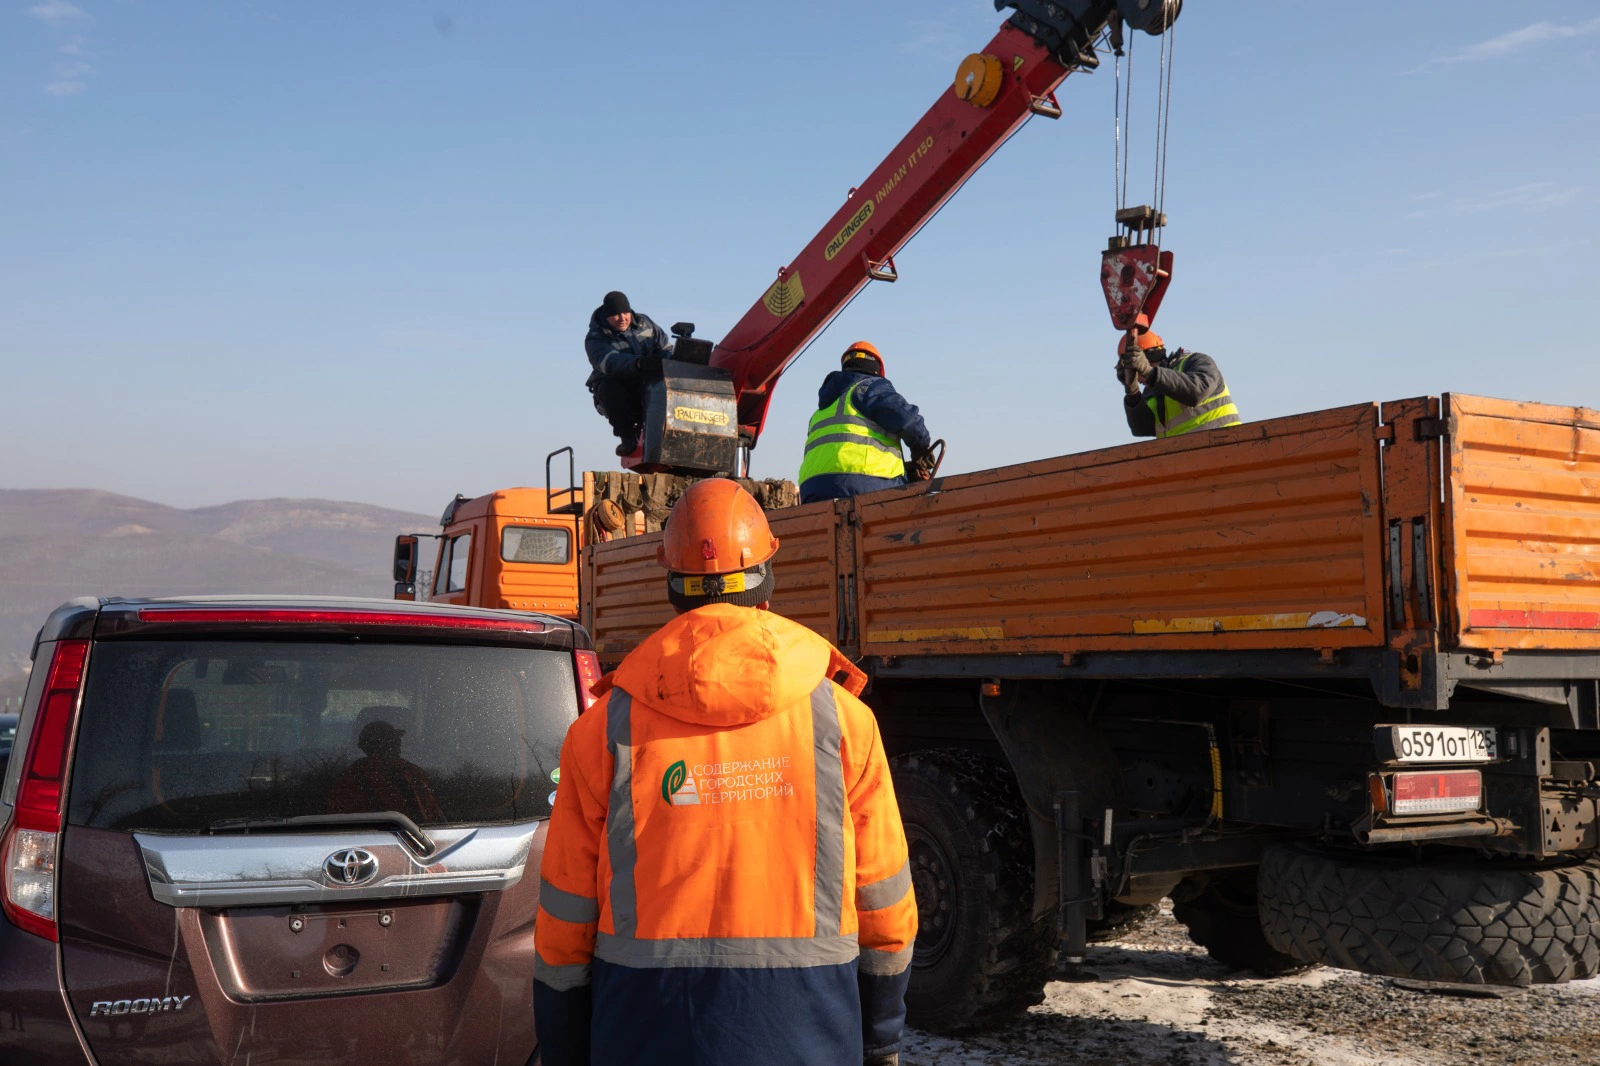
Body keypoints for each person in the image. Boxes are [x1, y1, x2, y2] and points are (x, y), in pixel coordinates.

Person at [533, 479, 917, 1066]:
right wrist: (880, 1037)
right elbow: (885, 909)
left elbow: (564, 926)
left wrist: (565, 1047)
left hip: (645, 1031)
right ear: (767, 575)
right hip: (810, 1032)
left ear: (672, 585)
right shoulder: (843, 721)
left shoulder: (602, 732)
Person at [798, 341, 935, 504]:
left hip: (812, 489)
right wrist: (920, 448)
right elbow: (908, 420)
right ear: (877, 370)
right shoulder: (869, 387)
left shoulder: (821, 410)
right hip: (867, 484)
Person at [584, 290, 676, 455]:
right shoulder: (596, 338)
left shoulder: (645, 323)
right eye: (616, 315)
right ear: (606, 316)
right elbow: (608, 362)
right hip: (620, 389)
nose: (622, 318)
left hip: (650, 382)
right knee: (610, 387)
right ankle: (627, 438)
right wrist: (639, 363)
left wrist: (667, 360)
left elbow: (665, 347)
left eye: (625, 312)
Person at [1117, 327, 1241, 439]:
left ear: (1146, 361)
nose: (1138, 380)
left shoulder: (1196, 362)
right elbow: (1143, 428)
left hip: (1226, 445)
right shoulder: (1152, 390)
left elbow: (1197, 392)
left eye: (1137, 374)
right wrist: (1132, 390)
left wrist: (1150, 373)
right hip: (1187, 458)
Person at [327, 718, 445, 824]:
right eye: (393, 740)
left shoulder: (412, 772)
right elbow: (344, 822)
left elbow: (436, 816)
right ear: (379, 745)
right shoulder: (354, 779)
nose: (399, 744)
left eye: (396, 740)